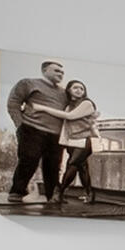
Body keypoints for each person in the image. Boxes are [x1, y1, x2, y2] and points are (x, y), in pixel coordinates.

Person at [4, 59, 70, 203]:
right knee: (29, 160)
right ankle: (17, 192)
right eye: (57, 71)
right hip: (32, 129)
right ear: (44, 71)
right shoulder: (28, 83)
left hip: (55, 135)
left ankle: (52, 196)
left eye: (62, 72)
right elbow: (13, 103)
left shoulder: (64, 93)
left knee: (53, 165)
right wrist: (20, 125)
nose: (61, 74)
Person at [54, 78, 100, 206]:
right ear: (69, 90)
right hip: (72, 140)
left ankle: (59, 193)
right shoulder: (68, 105)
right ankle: (90, 194)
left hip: (85, 139)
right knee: (82, 167)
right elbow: (66, 125)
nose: (79, 90)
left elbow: (70, 117)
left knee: (72, 163)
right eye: (75, 88)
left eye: (82, 88)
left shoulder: (86, 103)